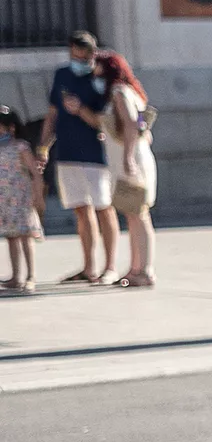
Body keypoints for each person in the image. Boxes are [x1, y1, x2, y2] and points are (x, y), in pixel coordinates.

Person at [63, 53, 157, 287]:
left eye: (97, 67)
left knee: (139, 213)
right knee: (132, 214)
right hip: (127, 158)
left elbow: (130, 125)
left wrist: (128, 159)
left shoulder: (119, 92)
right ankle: (136, 269)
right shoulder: (124, 91)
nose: (93, 72)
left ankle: (144, 270)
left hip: (129, 160)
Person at [37, 31, 119, 285]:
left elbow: (105, 122)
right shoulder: (62, 75)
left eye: (82, 56)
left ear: (92, 54)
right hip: (68, 153)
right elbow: (52, 113)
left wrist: (80, 110)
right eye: (73, 54)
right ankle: (88, 267)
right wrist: (43, 145)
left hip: (96, 154)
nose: (77, 60)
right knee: (81, 211)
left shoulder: (102, 79)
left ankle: (111, 267)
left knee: (103, 208)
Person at [0, 105, 45, 294]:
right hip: (4, 200)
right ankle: (16, 276)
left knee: (26, 236)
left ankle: (30, 276)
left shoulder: (21, 147)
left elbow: (35, 174)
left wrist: (38, 197)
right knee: (11, 236)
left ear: (11, 127)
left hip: (21, 198)